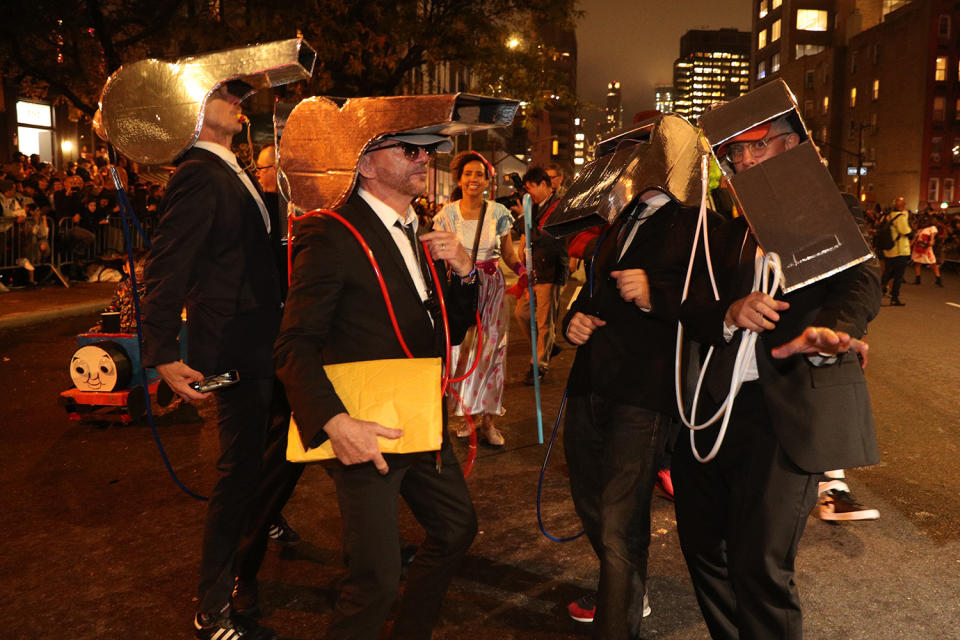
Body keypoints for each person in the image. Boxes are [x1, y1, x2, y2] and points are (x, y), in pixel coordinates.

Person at [674, 114, 881, 640]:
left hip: (785, 408)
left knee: (759, 563)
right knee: (703, 547)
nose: (742, 161)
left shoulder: (825, 210)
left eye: (754, 148)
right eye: (733, 155)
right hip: (714, 408)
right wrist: (728, 311)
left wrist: (832, 331)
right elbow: (692, 308)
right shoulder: (724, 229)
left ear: (791, 147)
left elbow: (861, 281)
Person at [274, 132, 480, 639]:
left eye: (426, 150)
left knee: (455, 529)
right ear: (366, 164)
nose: (424, 158)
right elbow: (293, 343)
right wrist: (334, 423)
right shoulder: (331, 232)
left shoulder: (419, 230)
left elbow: (447, 326)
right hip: (363, 427)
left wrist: (466, 271)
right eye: (409, 150)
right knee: (376, 581)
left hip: (419, 416)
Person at [140, 83, 283, 640]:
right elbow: (166, 265)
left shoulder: (233, 168)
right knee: (238, 472)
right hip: (230, 347)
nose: (237, 101)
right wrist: (160, 355)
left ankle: (258, 535)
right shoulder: (198, 171)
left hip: (260, 341)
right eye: (225, 94)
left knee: (276, 453)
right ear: (192, 110)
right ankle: (213, 604)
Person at [562, 187, 704, 638]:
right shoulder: (619, 218)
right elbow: (592, 290)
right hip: (589, 381)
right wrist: (573, 319)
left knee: (621, 522)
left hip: (644, 390)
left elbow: (709, 296)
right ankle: (623, 587)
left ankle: (617, 620)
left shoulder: (696, 221)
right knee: (590, 500)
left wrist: (653, 295)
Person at [434, 151, 524, 446]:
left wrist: (523, 271)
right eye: (468, 173)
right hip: (461, 289)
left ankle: (488, 420)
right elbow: (437, 259)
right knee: (461, 352)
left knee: (492, 353)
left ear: (488, 180)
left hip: (493, 289)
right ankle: (465, 416)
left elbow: (509, 255)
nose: (474, 179)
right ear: (459, 179)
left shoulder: (498, 212)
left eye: (480, 174)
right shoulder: (445, 215)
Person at [514, 166, 568, 384]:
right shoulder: (536, 206)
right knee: (523, 313)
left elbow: (544, 236)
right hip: (536, 270)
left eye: (531, 188)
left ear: (545, 185)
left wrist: (522, 218)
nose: (529, 194)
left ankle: (539, 365)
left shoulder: (558, 206)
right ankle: (548, 346)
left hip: (551, 269)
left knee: (544, 321)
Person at [879, 197, 911, 306]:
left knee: (888, 273)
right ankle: (894, 297)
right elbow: (905, 231)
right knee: (898, 275)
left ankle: (876, 293)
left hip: (889, 250)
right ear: (902, 206)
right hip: (899, 250)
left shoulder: (887, 216)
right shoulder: (900, 217)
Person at [909, 216, 943, 287]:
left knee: (933, 263)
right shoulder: (920, 229)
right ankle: (918, 279)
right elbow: (915, 238)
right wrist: (910, 245)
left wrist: (931, 241)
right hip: (918, 247)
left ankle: (938, 279)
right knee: (918, 262)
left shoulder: (932, 228)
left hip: (926, 247)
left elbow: (932, 236)